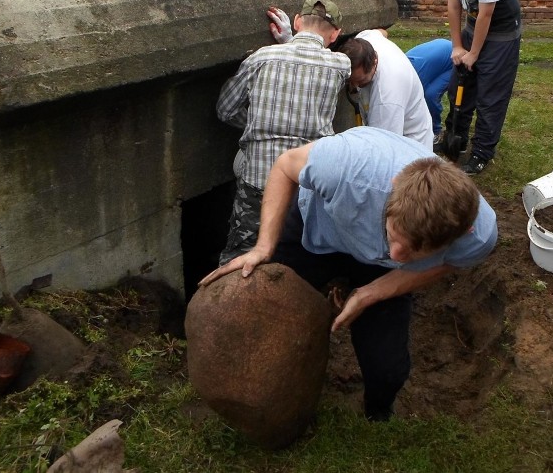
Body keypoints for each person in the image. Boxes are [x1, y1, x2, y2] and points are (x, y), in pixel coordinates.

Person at [200, 126, 497, 421]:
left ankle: (377, 411)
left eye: (413, 253)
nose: (395, 256)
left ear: (460, 234)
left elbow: (448, 263)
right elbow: (284, 166)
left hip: (377, 271)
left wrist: (371, 293)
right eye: (394, 237)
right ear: (393, 187)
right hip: (318, 227)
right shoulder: (345, 168)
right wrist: (263, 247)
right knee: (262, 304)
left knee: (387, 369)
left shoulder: (477, 236)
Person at [215, 0, 351, 265]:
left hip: (259, 179)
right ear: (335, 34)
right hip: (307, 183)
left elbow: (225, 110)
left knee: (241, 251)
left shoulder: (261, 58)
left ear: (297, 22)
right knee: (297, 256)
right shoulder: (341, 65)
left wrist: (257, 123)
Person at [267, 11, 434, 149]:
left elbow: (383, 150)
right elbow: (382, 32)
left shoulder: (387, 98)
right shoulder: (367, 38)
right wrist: (291, 42)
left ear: (375, 61)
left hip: (410, 149)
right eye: (350, 80)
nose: (354, 87)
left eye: (361, 82)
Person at [439, 0, 522, 175]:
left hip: (501, 36)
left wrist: (473, 54)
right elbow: (454, 8)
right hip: (474, 29)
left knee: (490, 97)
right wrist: (457, 46)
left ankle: (481, 152)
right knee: (459, 86)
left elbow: (486, 15)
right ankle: (457, 137)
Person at [404, 38, 454, 142]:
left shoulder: (416, 76)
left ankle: (436, 131)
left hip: (453, 59)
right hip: (440, 49)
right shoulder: (400, 68)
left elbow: (415, 104)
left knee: (430, 95)